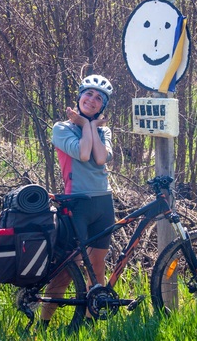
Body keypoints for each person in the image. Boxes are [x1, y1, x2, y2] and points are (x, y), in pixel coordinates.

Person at [38, 74, 115, 328]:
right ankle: (44, 323)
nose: (92, 100)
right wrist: (84, 125)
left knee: (97, 264)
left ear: (102, 106)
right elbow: (83, 154)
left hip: (103, 203)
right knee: (68, 265)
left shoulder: (103, 131)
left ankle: (91, 322)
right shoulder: (62, 128)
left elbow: (101, 159)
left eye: (98, 98)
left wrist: (89, 126)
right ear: (79, 95)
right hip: (75, 203)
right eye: (88, 94)